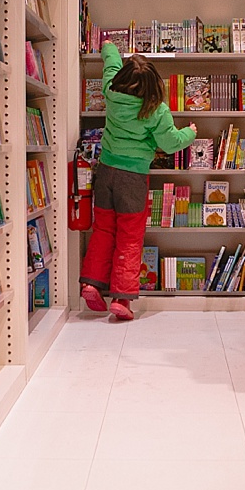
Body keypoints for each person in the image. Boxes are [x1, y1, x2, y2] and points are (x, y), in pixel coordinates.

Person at [79, 41, 196, 320]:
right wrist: (190, 132)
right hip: (133, 178)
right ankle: (121, 298)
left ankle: (90, 283)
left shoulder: (110, 91)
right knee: (130, 237)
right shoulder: (156, 110)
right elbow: (170, 143)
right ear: (154, 85)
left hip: (106, 171)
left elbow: (111, 64)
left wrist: (108, 47)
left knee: (104, 230)